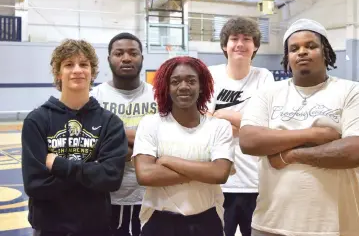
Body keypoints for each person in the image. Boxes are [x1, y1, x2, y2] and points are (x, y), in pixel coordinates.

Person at [239, 19, 359, 236]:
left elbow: (358, 151)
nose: (302, 52)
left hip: (338, 228)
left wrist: (291, 155)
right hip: (271, 225)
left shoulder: (352, 92)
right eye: (294, 49)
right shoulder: (267, 94)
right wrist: (316, 134)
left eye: (311, 46)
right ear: (287, 57)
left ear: (326, 52)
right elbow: (249, 141)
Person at [21, 39, 127, 236]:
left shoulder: (110, 122)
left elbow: (111, 179)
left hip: (95, 227)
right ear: (59, 74)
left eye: (84, 64)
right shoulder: (37, 120)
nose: (77, 70)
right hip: (49, 228)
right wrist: (92, 171)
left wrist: (60, 166)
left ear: (93, 72)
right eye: (69, 64)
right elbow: (35, 184)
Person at [133, 56, 235, 236]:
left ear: (201, 85)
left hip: (207, 220)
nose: (184, 86)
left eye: (191, 81)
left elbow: (219, 173)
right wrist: (204, 169)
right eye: (175, 81)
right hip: (158, 220)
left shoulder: (219, 127)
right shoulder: (150, 124)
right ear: (167, 87)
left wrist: (167, 160)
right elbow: (145, 175)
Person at [207, 16, 275, 236]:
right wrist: (246, 124)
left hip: (255, 183)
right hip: (219, 182)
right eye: (234, 38)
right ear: (224, 45)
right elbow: (205, 123)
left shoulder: (264, 77)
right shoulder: (211, 75)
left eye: (247, 39)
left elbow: (265, 126)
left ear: (255, 46)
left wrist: (222, 115)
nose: (240, 44)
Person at [91, 32, 157, 236]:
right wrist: (143, 146)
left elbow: (166, 141)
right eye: (119, 53)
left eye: (133, 53)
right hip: (108, 196)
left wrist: (115, 141)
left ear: (142, 58)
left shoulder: (158, 95)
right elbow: (94, 147)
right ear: (109, 59)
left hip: (152, 195)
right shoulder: (95, 98)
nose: (126, 58)